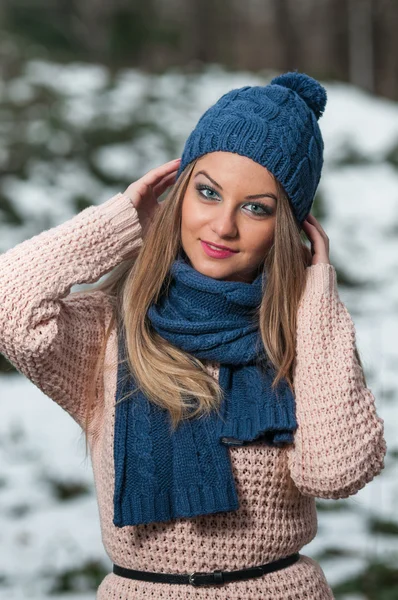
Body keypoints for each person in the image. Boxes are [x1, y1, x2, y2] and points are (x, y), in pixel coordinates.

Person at [0, 71, 387, 599]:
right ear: (178, 194)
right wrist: (122, 220)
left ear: (287, 228)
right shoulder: (113, 331)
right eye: (208, 193)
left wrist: (315, 297)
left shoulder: (302, 341)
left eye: (256, 207)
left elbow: (337, 471)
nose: (223, 226)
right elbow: (9, 304)